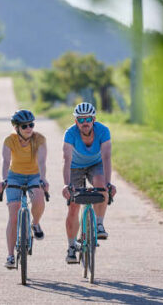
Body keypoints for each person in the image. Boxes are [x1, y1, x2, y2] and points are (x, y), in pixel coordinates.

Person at [61, 102, 117, 264]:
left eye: (88, 119)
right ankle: (72, 247)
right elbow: (66, 159)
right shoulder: (70, 134)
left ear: (94, 119)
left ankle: (99, 224)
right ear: (75, 121)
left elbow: (106, 157)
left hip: (96, 164)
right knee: (73, 206)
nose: (84, 122)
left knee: (101, 184)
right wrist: (66, 185)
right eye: (80, 119)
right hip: (75, 167)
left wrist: (108, 183)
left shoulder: (103, 131)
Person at [0, 109, 49, 269]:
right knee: (13, 216)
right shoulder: (9, 140)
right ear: (16, 128)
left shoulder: (39, 139)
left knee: (39, 200)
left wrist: (43, 178)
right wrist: (5, 179)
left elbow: (42, 161)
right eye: (25, 126)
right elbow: (6, 161)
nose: (29, 128)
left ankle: (36, 224)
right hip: (14, 176)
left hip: (35, 175)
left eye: (31, 124)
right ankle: (10, 256)